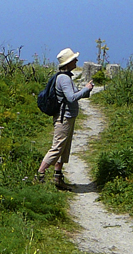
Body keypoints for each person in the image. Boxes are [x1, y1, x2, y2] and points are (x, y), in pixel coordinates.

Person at [37, 48, 93, 189]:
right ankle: (40, 174)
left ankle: (57, 176)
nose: (76, 61)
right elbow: (71, 97)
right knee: (57, 148)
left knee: (64, 148)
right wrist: (86, 89)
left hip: (67, 116)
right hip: (64, 118)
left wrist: (87, 91)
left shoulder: (64, 77)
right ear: (68, 63)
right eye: (74, 59)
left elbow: (71, 96)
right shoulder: (64, 78)